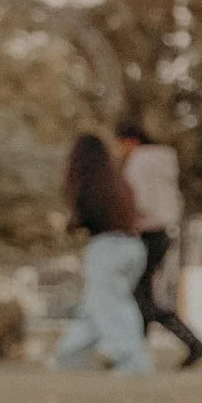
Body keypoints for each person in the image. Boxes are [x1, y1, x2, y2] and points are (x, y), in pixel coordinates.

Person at [113, 121, 202, 368]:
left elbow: (140, 200)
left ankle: (186, 343)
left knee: (141, 297)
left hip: (147, 232)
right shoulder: (163, 162)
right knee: (142, 295)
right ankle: (137, 351)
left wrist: (127, 220)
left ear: (130, 141)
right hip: (164, 231)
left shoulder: (139, 161)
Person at [55, 134, 153, 375]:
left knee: (112, 306)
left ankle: (132, 361)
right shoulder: (119, 182)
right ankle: (69, 358)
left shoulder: (91, 184)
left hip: (107, 248)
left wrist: (69, 224)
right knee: (94, 306)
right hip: (133, 246)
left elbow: (86, 215)